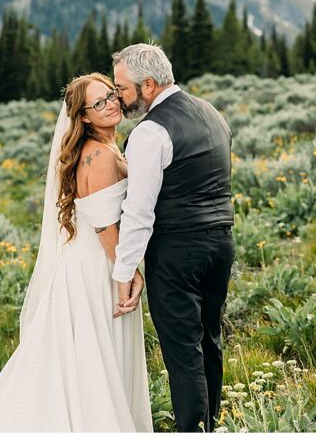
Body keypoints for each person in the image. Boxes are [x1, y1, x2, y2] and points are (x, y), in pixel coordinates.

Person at [0, 73, 151, 432]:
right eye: (98, 103)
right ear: (84, 117)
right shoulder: (99, 155)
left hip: (88, 264)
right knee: (95, 357)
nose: (110, 104)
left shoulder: (102, 149)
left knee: (85, 359)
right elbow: (104, 226)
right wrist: (127, 270)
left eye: (111, 95)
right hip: (98, 268)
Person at [112, 43, 234, 433]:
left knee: (183, 353)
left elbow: (139, 211)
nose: (119, 96)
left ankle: (192, 431)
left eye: (122, 87)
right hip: (221, 244)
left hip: (177, 251)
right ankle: (208, 426)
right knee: (209, 341)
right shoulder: (212, 113)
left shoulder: (151, 131)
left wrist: (123, 270)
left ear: (148, 85)